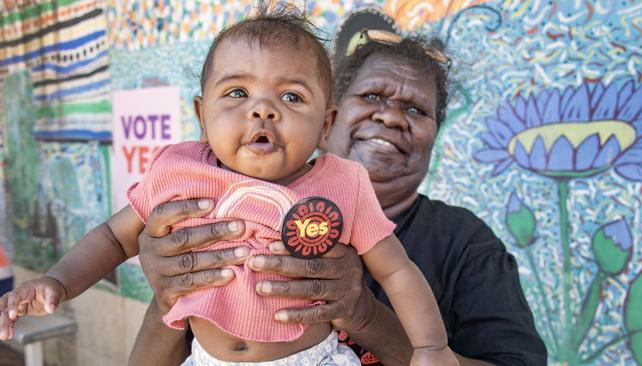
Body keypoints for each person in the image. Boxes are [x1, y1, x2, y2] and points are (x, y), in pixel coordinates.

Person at [0, 8, 456, 366]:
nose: (263, 110)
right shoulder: (178, 172)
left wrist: (430, 347)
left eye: (292, 97)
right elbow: (112, 237)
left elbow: (398, 271)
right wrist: (57, 280)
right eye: (237, 93)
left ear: (326, 126)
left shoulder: (342, 183)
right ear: (202, 116)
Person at [128, 26, 548, 366]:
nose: (390, 116)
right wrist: (172, 290)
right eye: (371, 97)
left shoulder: (466, 243)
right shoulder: (221, 213)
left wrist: (364, 314)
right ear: (330, 120)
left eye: (417, 111)